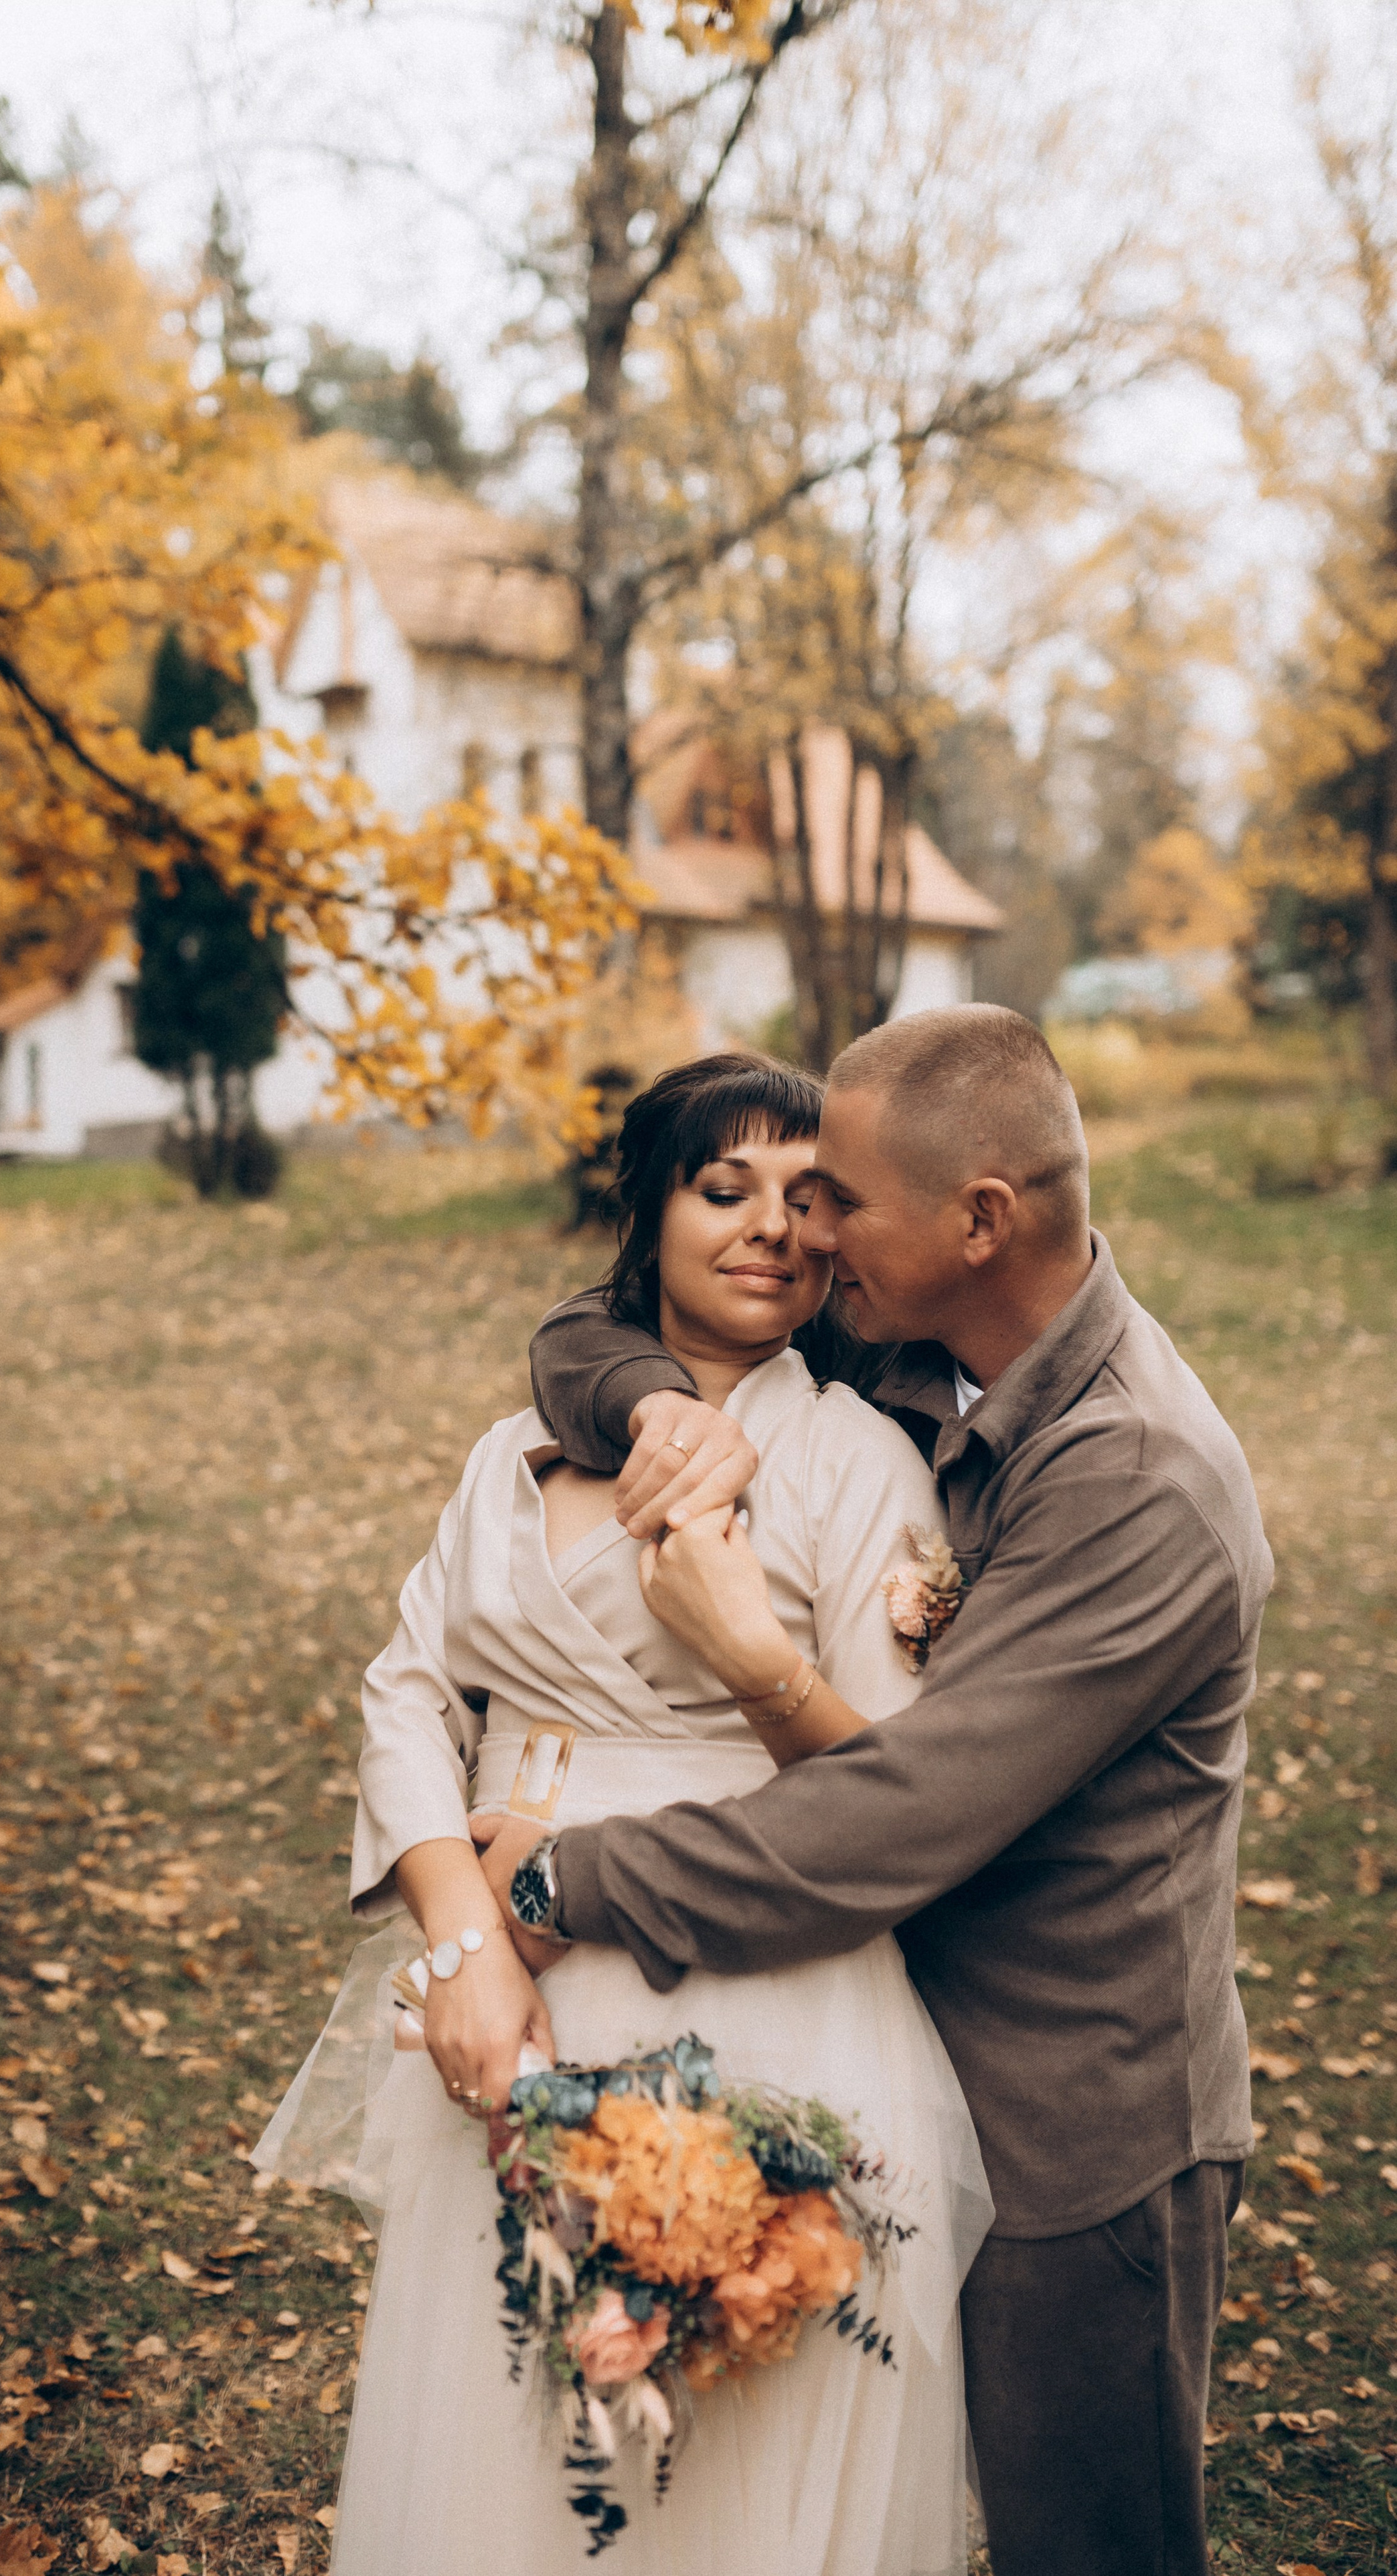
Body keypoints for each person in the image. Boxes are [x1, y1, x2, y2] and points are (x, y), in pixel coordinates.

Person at [479, 1003, 1272, 2576]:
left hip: (1072, 2122)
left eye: (836, 1195)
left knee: (1080, 2544)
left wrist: (558, 1880)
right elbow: (589, 1322)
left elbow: (899, 1815)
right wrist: (654, 1406)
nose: (800, 1229)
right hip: (897, 2058)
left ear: (976, 1220)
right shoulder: (929, 1334)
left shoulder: (1136, 1484)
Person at [258, 1052, 991, 2576]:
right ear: (645, 1210)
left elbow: (886, 1785)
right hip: (508, 2000)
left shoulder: (858, 1468)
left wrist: (752, 1659)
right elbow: (409, 1690)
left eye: (808, 1200)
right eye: (722, 1189)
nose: (769, 1229)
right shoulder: (510, 1452)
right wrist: (464, 1950)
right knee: (504, 2420)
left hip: (747, 1983)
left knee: (714, 2446)